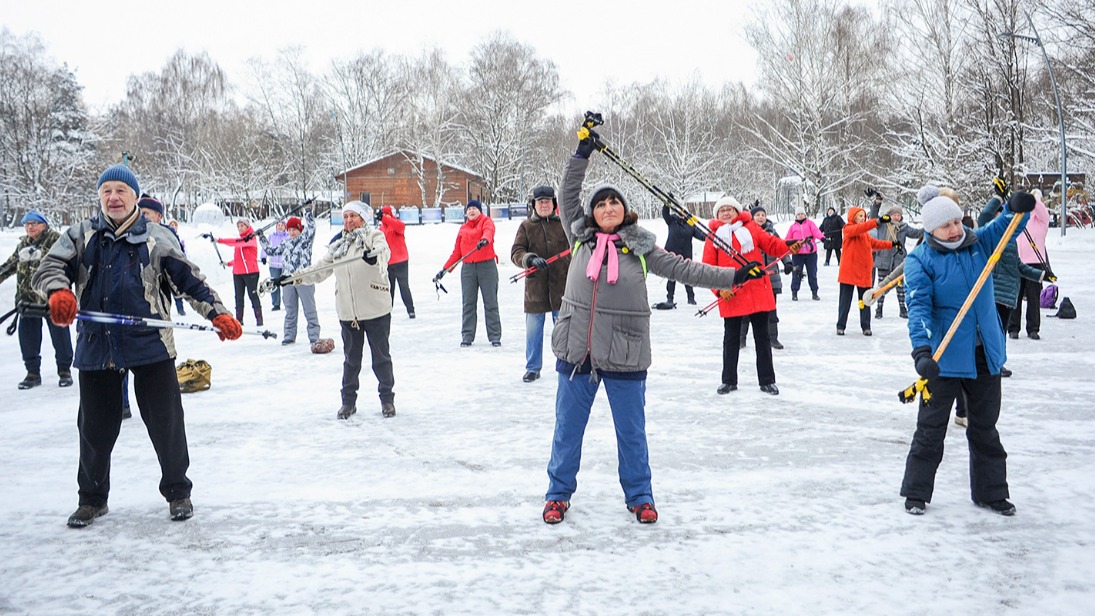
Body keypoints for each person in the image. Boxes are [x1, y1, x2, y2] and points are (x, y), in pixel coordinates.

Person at [542, 139, 761, 525]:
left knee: (631, 434)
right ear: (592, 212)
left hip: (625, 353)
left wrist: (734, 274)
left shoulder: (642, 247)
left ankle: (640, 496)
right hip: (577, 350)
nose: (608, 208)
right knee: (567, 431)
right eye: (601, 203)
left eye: (615, 203)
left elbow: (685, 268)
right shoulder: (580, 237)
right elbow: (567, 192)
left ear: (625, 210)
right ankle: (558, 494)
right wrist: (581, 153)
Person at [32, 163, 242, 528]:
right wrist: (58, 292)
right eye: (107, 191)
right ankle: (92, 499)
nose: (113, 197)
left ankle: (179, 492)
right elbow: (50, 268)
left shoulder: (156, 237)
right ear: (99, 197)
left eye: (121, 191)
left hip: (150, 344)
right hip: (98, 345)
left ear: (134, 196)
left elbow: (190, 281)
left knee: (166, 424)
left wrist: (217, 314)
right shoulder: (81, 235)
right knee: (95, 428)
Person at [899, 188, 1035, 517]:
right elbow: (918, 307)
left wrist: (1018, 208)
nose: (956, 229)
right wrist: (922, 351)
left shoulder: (978, 244)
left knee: (985, 428)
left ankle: (991, 493)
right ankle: (917, 492)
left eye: (957, 221)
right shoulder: (920, 260)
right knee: (930, 429)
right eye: (947, 225)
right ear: (931, 229)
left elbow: (1008, 226)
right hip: (943, 359)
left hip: (985, 354)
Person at [285, 201, 395, 419]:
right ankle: (348, 402)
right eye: (345, 217)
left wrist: (373, 255)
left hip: (375, 310)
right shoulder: (338, 246)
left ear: (363, 218)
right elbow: (319, 270)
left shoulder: (373, 236)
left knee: (381, 358)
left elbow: (384, 252)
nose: (348, 221)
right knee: (351, 361)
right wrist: (293, 278)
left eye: (353, 216)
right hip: (348, 312)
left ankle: (387, 400)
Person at [703, 198, 795, 395]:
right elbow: (708, 268)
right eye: (722, 211)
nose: (726, 213)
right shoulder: (713, 236)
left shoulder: (751, 228)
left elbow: (772, 244)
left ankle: (767, 380)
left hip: (757, 292)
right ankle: (728, 380)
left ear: (737, 211)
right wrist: (719, 290)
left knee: (763, 338)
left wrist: (788, 246)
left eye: (730, 210)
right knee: (731, 339)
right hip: (731, 293)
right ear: (717, 215)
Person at [0, 210, 73, 389]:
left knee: (60, 337)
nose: (30, 227)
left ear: (44, 225)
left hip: (51, 299)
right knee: (28, 338)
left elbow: (67, 264)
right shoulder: (23, 245)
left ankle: (64, 370)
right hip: (27, 300)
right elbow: (9, 266)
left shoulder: (56, 241)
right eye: (27, 224)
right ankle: (32, 372)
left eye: (34, 223)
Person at [510, 185, 570, 383]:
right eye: (540, 201)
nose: (544, 204)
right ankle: (533, 367)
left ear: (554, 204)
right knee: (533, 331)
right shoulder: (526, 226)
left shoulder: (564, 224)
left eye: (547, 201)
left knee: (563, 330)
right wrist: (529, 259)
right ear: (534, 205)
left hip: (561, 287)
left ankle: (567, 363)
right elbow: (516, 252)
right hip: (535, 289)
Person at [436, 200, 501, 347]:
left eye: (474, 209)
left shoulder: (486, 221)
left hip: (487, 267)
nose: (472, 211)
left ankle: (495, 336)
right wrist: (444, 270)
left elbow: (489, 232)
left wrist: (484, 240)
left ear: (479, 210)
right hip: (468, 270)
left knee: (490, 302)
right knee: (468, 304)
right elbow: (457, 253)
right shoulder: (463, 229)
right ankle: (467, 336)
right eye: (469, 209)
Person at [258, 211, 320, 346]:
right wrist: (262, 237)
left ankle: (314, 335)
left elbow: (312, 227)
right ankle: (289, 335)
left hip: (304, 279)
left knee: (309, 309)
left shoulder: (306, 241)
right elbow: (270, 251)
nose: (292, 233)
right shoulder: (286, 243)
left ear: (300, 229)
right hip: (287, 280)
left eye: (295, 230)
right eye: (290, 230)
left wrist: (309, 210)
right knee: (290, 310)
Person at [836, 204, 898, 336]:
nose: (863, 218)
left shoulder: (865, 234)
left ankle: (866, 326)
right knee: (845, 301)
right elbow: (860, 228)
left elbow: (876, 243)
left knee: (864, 301)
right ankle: (841, 325)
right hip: (849, 272)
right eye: (860, 216)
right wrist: (877, 221)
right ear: (853, 217)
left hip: (863, 272)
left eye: (864, 216)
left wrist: (892, 244)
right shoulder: (848, 229)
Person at [740, 203, 793, 350]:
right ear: (752, 217)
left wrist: (787, 262)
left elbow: (781, 248)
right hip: (752, 279)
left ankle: (773, 338)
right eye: (757, 215)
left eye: (763, 215)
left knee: (771, 310)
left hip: (771, 279)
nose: (761, 217)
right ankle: (741, 339)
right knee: (746, 312)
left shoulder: (772, 233)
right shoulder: (745, 233)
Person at [870, 194, 924, 319]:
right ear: (890, 215)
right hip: (883, 259)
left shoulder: (904, 228)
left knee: (900, 287)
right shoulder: (883, 224)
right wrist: (877, 203)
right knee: (882, 286)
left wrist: (928, 227)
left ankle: (902, 308)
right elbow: (873, 217)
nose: (896, 217)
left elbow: (916, 233)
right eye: (894, 214)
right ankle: (879, 309)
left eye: (899, 215)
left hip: (899, 261)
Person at [1007, 189, 1051, 340]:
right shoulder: (1020, 218)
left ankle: (1033, 328)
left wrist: (1034, 198)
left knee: (1033, 298)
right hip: (1017, 262)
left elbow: (1041, 210)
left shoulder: (1042, 220)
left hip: (1035, 263)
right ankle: (1013, 327)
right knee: (1015, 298)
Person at [210, 218, 263, 326]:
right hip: (238, 273)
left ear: (247, 226)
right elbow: (239, 258)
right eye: (238, 226)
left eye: (242, 226)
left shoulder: (250, 239)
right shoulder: (241, 240)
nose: (240, 228)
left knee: (253, 296)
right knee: (238, 297)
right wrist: (228, 263)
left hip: (251, 272)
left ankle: (259, 319)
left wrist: (219, 240)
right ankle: (239, 320)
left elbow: (236, 243)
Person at [654, 202, 705, 309]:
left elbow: (700, 235)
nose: (682, 214)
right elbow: (665, 213)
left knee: (687, 276)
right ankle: (670, 298)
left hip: (685, 254)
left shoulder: (691, 224)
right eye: (680, 212)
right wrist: (667, 202)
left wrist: (709, 237)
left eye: (684, 212)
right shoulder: (672, 220)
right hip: (672, 253)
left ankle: (691, 298)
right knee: (671, 277)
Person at [377, 205, 415, 319]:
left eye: (387, 215)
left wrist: (384, 217)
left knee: (404, 287)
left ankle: (411, 309)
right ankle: (387, 311)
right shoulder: (380, 230)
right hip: (388, 262)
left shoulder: (398, 225)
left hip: (401, 261)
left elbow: (400, 226)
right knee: (389, 288)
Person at [784, 204, 825, 301]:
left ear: (805, 214)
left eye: (802, 214)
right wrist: (785, 246)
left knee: (812, 273)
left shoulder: (810, 223)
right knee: (796, 274)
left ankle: (814, 292)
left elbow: (816, 232)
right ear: (796, 216)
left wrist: (822, 238)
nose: (801, 215)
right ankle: (794, 292)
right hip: (797, 254)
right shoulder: (792, 227)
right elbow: (787, 239)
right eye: (799, 214)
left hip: (811, 254)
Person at [266, 221, 289, 312]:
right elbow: (266, 247)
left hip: (284, 265)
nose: (280, 227)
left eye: (282, 225)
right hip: (274, 265)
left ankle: (287, 303)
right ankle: (276, 304)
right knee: (274, 284)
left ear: (285, 227)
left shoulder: (287, 237)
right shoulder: (272, 236)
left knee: (286, 284)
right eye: (278, 225)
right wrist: (263, 256)